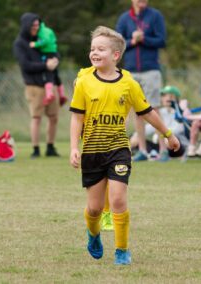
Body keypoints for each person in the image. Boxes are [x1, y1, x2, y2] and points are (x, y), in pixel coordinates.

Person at [69, 26, 180, 265]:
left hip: (118, 149)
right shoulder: (84, 82)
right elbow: (77, 117)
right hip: (92, 151)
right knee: (95, 209)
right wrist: (74, 147)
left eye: (100, 49)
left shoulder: (128, 84)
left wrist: (168, 134)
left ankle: (122, 250)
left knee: (118, 200)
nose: (94, 53)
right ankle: (93, 234)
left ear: (115, 55)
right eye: (92, 49)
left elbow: (147, 112)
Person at [116, 0, 166, 161]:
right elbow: (117, 44)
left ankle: (163, 150)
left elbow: (162, 40)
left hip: (151, 69)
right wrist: (132, 41)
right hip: (131, 70)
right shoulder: (124, 18)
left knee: (154, 109)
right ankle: (142, 150)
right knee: (137, 112)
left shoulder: (155, 15)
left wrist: (144, 39)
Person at [13, 12, 61, 158]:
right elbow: (25, 65)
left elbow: (54, 51)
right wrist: (46, 65)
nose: (36, 27)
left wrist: (56, 60)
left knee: (54, 117)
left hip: (50, 84)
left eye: (37, 24)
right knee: (36, 118)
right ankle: (35, 149)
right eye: (33, 25)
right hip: (34, 86)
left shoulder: (42, 37)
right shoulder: (20, 43)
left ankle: (50, 147)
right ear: (26, 26)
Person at [130, 85, 188, 161]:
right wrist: (136, 135)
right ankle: (152, 153)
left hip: (178, 145)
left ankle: (155, 153)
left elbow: (178, 130)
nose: (167, 98)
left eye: (170, 96)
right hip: (161, 142)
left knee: (167, 140)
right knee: (135, 138)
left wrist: (166, 134)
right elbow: (151, 126)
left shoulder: (180, 113)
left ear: (176, 98)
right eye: (164, 96)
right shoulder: (159, 113)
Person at [29, 21, 68, 106]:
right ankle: (62, 95)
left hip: (48, 54)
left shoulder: (42, 31)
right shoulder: (48, 30)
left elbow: (45, 41)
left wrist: (35, 44)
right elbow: (54, 39)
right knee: (56, 75)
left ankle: (49, 95)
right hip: (55, 53)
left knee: (48, 74)